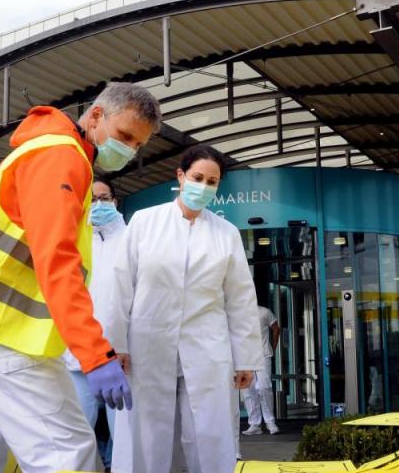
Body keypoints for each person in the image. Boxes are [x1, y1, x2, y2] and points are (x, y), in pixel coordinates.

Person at [0, 82, 162, 472]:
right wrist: (95, 355)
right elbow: (58, 262)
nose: (129, 150)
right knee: (65, 452)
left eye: (138, 145)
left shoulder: (48, 148)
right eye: (125, 136)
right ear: (97, 116)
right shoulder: (61, 157)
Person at [108, 144, 263, 473]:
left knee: (207, 434)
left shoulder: (227, 234)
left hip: (207, 347)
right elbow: (121, 286)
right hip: (147, 344)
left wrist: (246, 357)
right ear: (180, 176)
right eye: (198, 177)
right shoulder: (144, 222)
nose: (204, 186)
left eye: (212, 181)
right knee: (147, 433)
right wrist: (116, 343)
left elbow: (240, 299)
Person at [64, 178, 127, 470]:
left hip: (121, 358)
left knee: (125, 437)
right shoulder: (73, 242)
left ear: (115, 201)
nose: (99, 204)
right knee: (75, 435)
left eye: (105, 197)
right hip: (78, 356)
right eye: (93, 199)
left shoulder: (131, 240)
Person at [242, 305, 281, 435]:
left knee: (264, 387)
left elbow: (276, 329)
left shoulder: (265, 312)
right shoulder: (236, 313)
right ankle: (254, 424)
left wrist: (272, 348)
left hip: (263, 355)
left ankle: (270, 422)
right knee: (248, 391)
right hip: (244, 356)